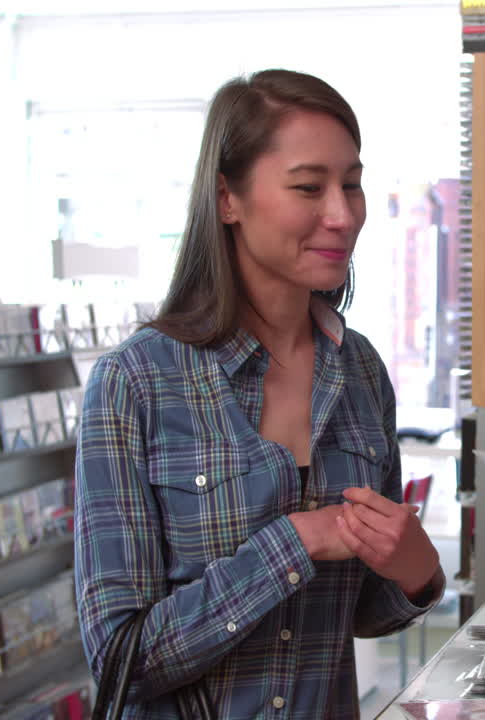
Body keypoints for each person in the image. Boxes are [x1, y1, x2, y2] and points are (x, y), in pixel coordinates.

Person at [74, 69, 444, 719]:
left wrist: (417, 571)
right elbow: (120, 659)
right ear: (227, 199)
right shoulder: (135, 384)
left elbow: (360, 615)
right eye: (309, 187)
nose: (343, 213)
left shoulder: (359, 373)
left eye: (351, 184)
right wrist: (295, 543)